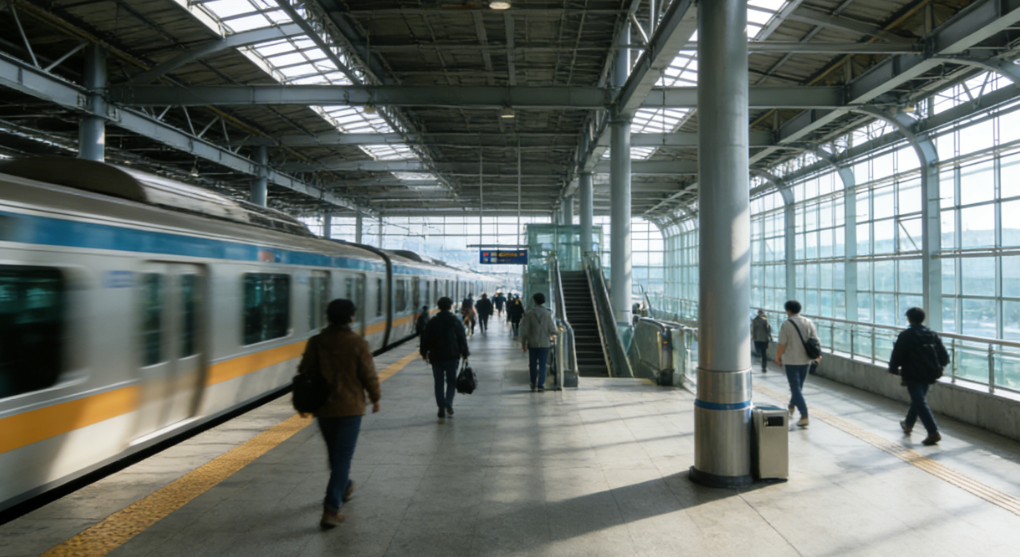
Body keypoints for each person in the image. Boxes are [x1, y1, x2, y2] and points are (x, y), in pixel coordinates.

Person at [296, 299, 381, 529]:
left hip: (323, 407)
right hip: (350, 407)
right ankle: (331, 510)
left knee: (335, 454)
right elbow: (368, 374)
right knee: (342, 457)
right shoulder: (357, 343)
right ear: (351, 318)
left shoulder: (316, 342)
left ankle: (345, 486)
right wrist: (375, 398)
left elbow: (304, 370)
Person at [888, 307, 950, 446]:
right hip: (929, 373)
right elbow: (944, 356)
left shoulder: (906, 335)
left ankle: (933, 432)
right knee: (918, 400)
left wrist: (892, 368)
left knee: (920, 402)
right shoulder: (931, 335)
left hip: (912, 373)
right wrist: (938, 367)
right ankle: (908, 424)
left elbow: (897, 354)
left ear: (909, 319)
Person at [420, 297, 470, 419]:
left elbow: (425, 338)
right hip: (452, 356)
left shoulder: (432, 322)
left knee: (438, 382)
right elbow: (461, 338)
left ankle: (441, 407)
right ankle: (448, 402)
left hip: (436, 357)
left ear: (438, 307)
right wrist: (465, 353)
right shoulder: (455, 321)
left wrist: (424, 352)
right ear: (450, 306)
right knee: (451, 381)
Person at [774, 300, 819, 428]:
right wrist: (818, 357)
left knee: (795, 387)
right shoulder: (808, 322)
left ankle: (804, 415)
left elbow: (782, 344)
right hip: (806, 361)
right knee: (798, 387)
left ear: (788, 310)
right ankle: (791, 406)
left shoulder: (786, 324)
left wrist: (777, 358)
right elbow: (816, 340)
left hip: (791, 361)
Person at [519, 293, 559, 392]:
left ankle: (533, 382)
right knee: (543, 364)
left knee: (532, 364)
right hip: (545, 343)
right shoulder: (548, 313)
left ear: (535, 301)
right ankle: (541, 385)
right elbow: (552, 329)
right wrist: (554, 334)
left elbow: (524, 330)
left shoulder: (529, 313)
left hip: (532, 343)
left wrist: (523, 342)